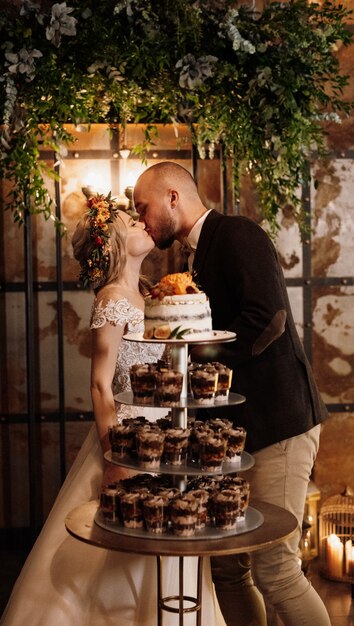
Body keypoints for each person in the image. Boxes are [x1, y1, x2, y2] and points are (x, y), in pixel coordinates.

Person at [0, 194, 224, 626]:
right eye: (132, 221)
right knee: (121, 555)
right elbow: (101, 386)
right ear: (113, 242)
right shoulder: (112, 298)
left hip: (169, 436)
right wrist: (114, 457)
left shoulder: (146, 294)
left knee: (170, 539)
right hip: (127, 439)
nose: (143, 223)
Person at [133, 161, 331, 626]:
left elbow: (269, 319)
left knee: (276, 569)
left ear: (173, 197)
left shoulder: (238, 233)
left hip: (278, 424)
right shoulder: (191, 258)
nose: (141, 219)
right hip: (236, 437)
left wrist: (199, 366)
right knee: (226, 569)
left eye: (144, 207)